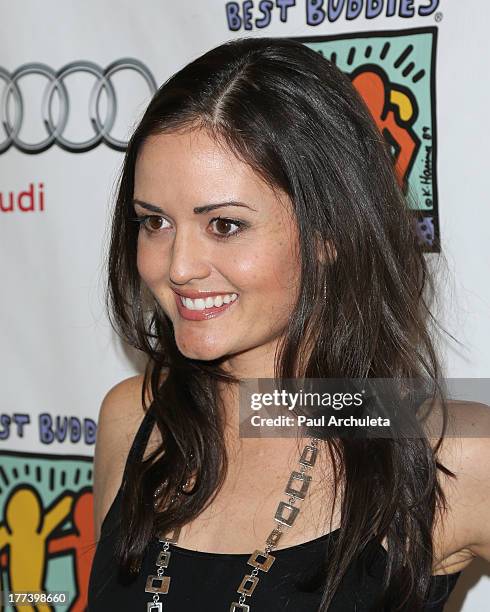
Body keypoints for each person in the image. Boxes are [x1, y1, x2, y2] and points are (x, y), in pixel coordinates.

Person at [87, 37, 490, 611]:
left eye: (224, 225)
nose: (177, 267)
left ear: (329, 233)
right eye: (154, 222)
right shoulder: (133, 421)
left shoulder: (446, 451)